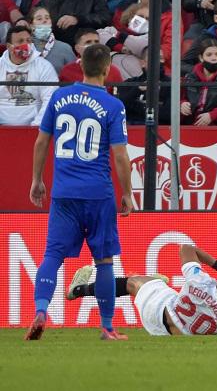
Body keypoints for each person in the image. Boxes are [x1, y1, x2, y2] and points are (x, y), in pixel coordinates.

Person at [24, 42, 131, 340]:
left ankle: (41, 309)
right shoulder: (113, 105)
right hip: (98, 193)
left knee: (52, 255)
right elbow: (120, 155)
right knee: (104, 260)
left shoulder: (59, 97)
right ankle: (107, 327)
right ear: (108, 69)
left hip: (64, 192)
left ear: (80, 65)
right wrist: (127, 192)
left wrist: (36, 179)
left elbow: (41, 141)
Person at [67, 244, 217, 336]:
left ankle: (81, 290)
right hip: (168, 333)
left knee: (133, 283)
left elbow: (186, 248)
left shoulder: (198, 278)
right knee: (148, 283)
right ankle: (157, 282)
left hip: (158, 310)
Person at [0, 25, 57, 126]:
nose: (26, 44)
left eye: (28, 40)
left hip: (34, 128)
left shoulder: (44, 66)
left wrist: (36, 126)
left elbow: (50, 98)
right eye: (20, 41)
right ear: (9, 46)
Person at [180, 38, 217, 126]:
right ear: (201, 58)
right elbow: (179, 99)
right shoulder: (189, 78)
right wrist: (182, 104)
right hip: (190, 126)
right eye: (209, 55)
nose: (213, 58)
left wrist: (213, 115)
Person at [58, 29, 124, 88]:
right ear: (77, 48)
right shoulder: (67, 71)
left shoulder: (112, 71)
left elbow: (120, 95)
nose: (93, 45)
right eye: (88, 42)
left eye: (96, 42)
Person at [26, 5, 75, 72]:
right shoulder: (26, 48)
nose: (44, 21)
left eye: (47, 18)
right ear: (31, 25)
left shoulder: (65, 48)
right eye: (39, 19)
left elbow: (74, 74)